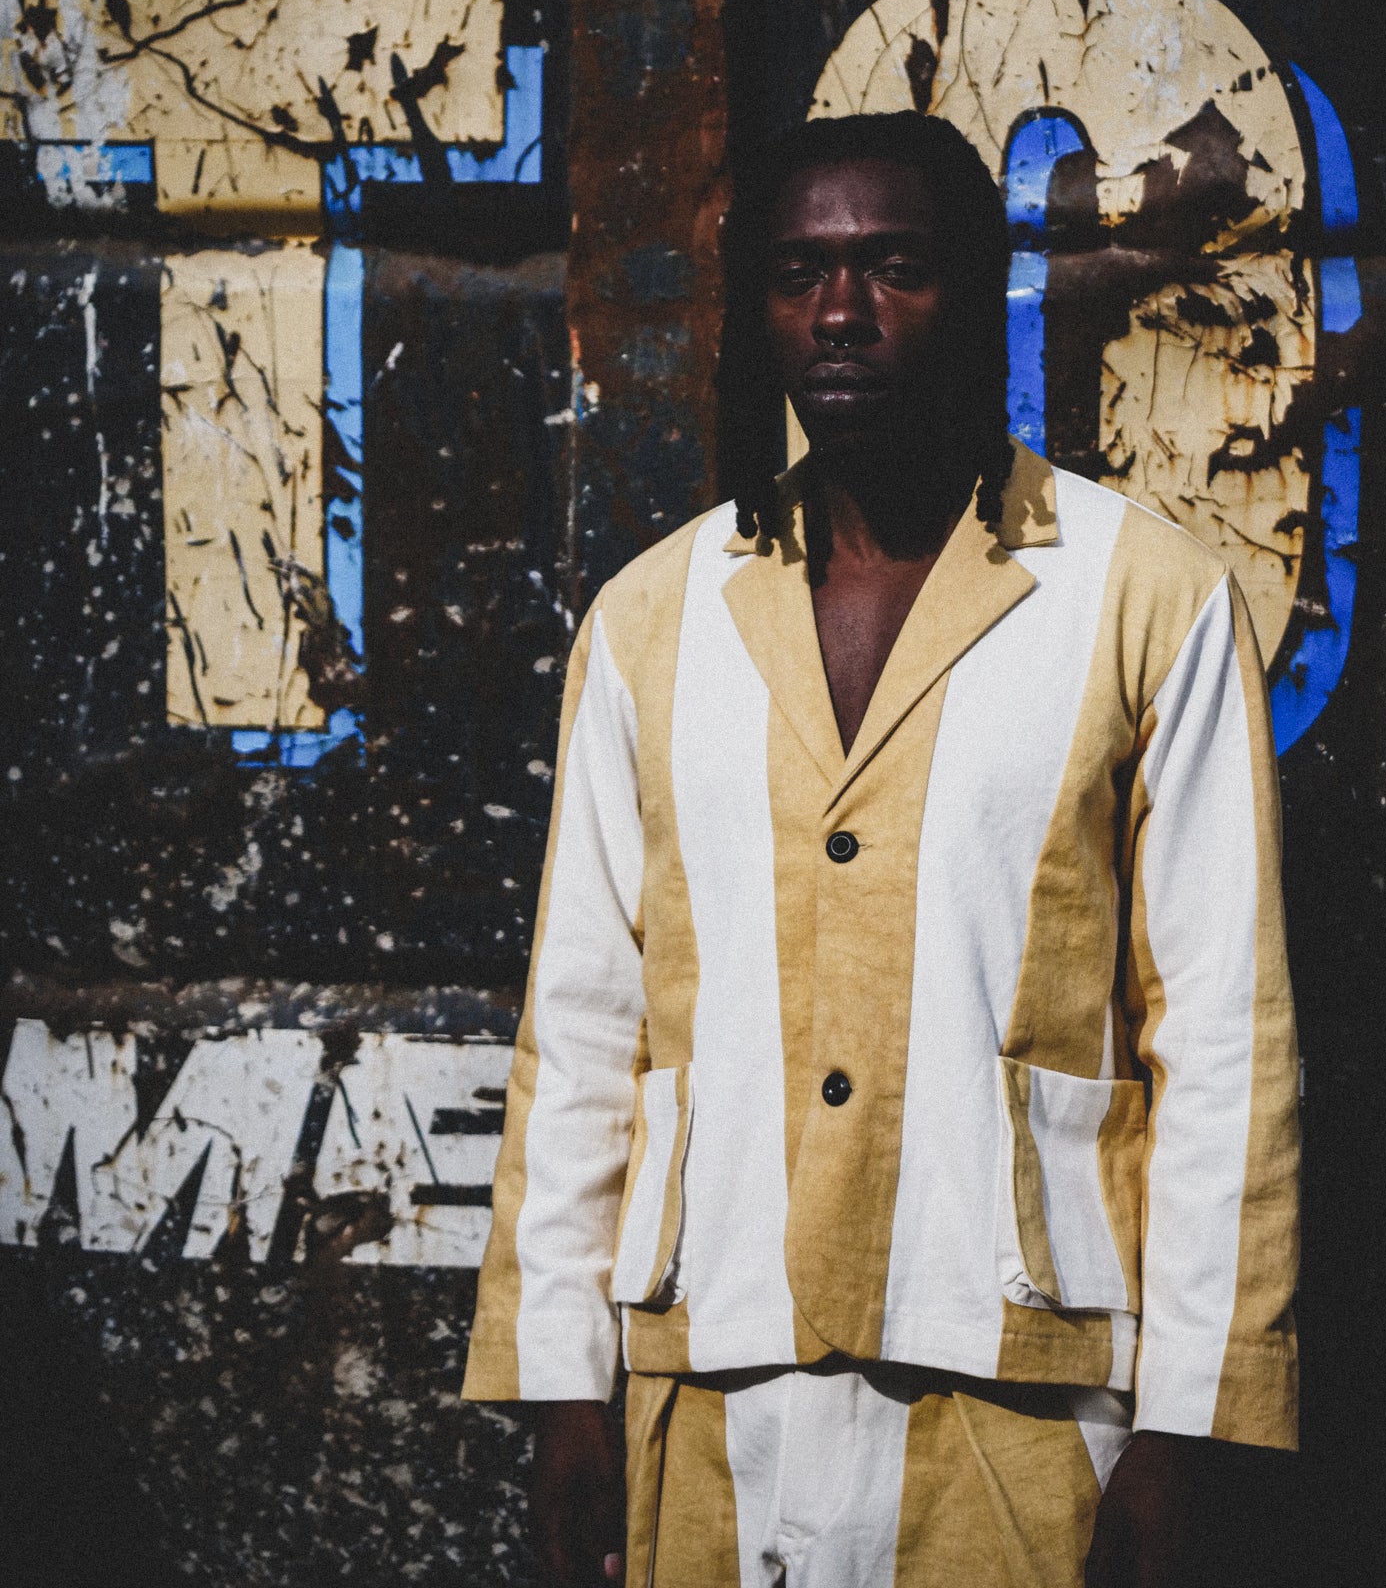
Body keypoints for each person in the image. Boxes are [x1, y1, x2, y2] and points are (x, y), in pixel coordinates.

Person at [463, 111, 1300, 1588]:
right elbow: (583, 1025)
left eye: (895, 267)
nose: (841, 313)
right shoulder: (653, 618)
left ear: (981, 293)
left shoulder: (1143, 600)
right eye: (799, 274)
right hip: (710, 1381)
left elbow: (1225, 1036)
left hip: (1020, 1393)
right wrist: (559, 1385)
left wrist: (1191, 1420)